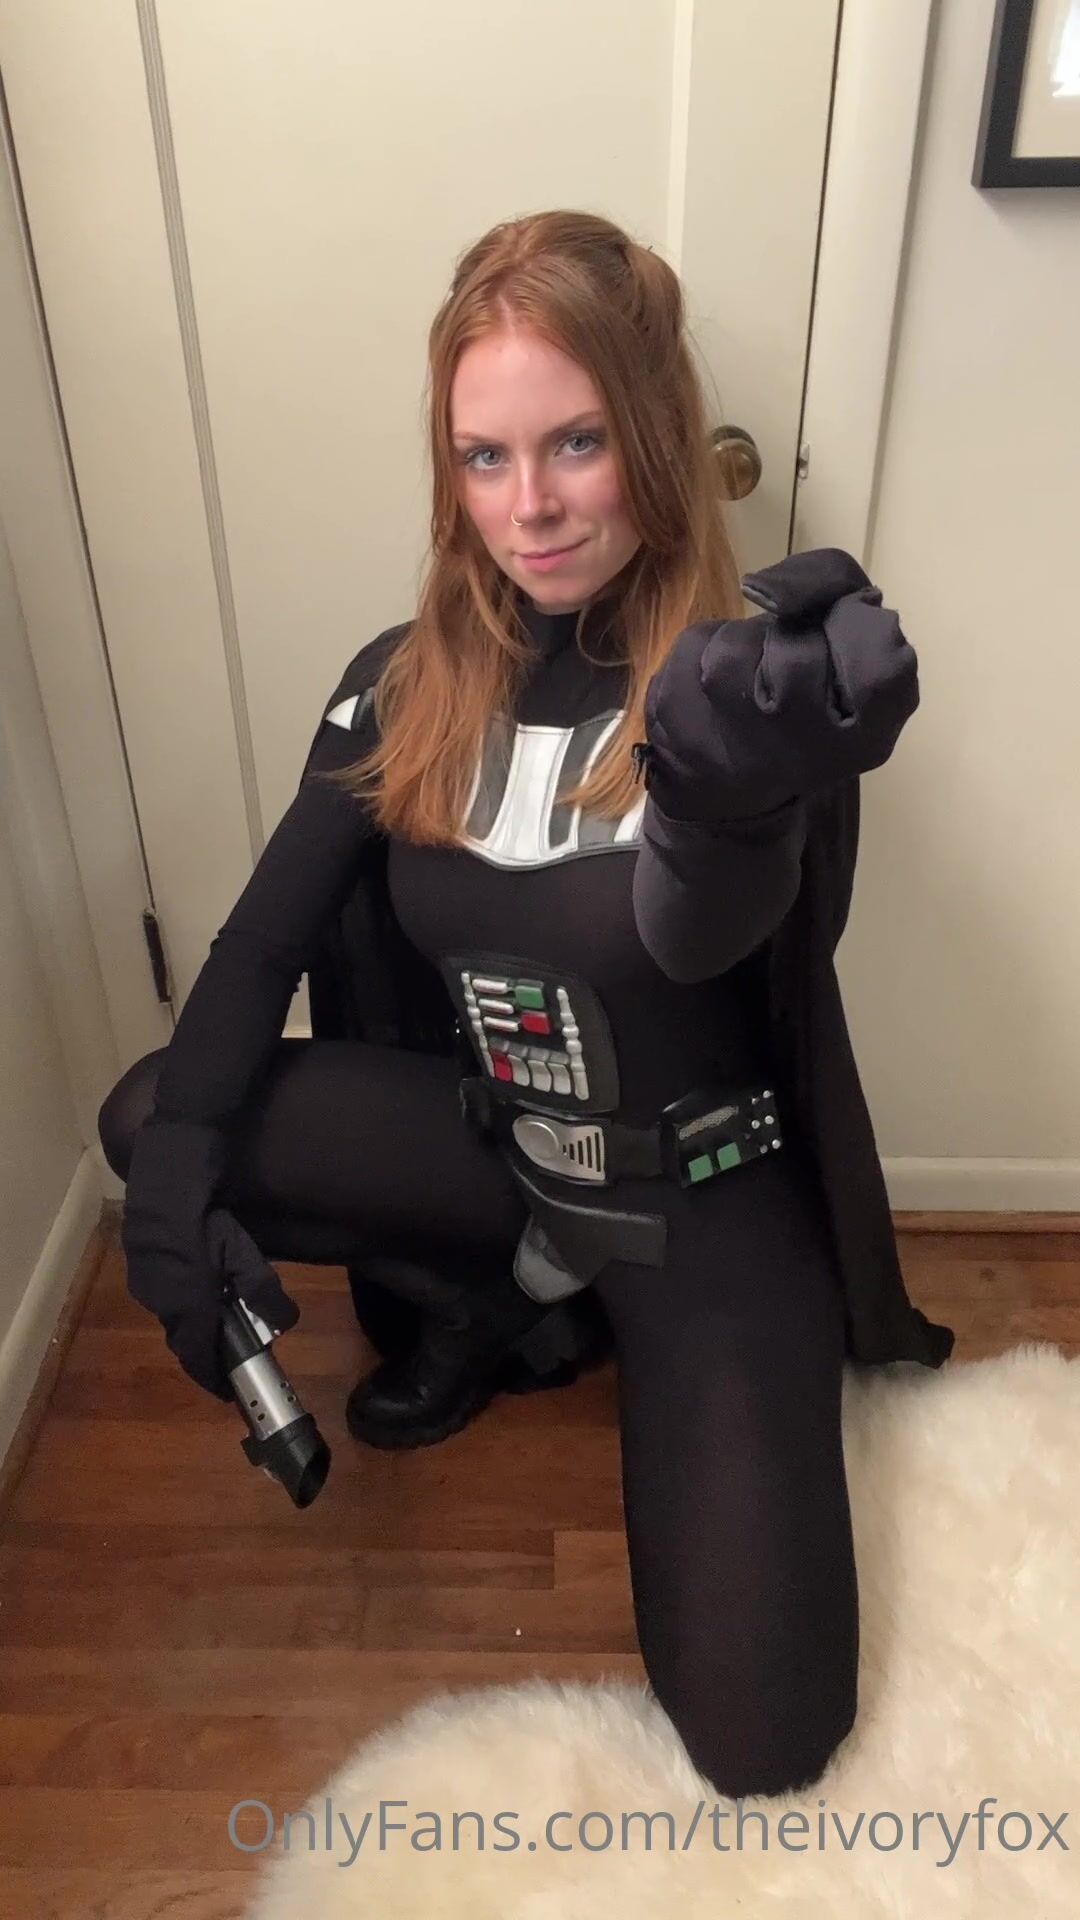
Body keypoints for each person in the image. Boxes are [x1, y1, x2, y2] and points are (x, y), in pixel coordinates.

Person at [98, 208, 952, 1800]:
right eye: (483, 457)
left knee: (764, 1743)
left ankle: (594, 1326)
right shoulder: (404, 677)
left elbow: (699, 936)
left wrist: (724, 797)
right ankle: (499, 1308)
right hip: (503, 1155)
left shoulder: (742, 697)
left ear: (654, 436)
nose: (530, 506)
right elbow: (261, 946)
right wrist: (169, 1214)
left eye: (574, 443)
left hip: (703, 1200)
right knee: (161, 1117)